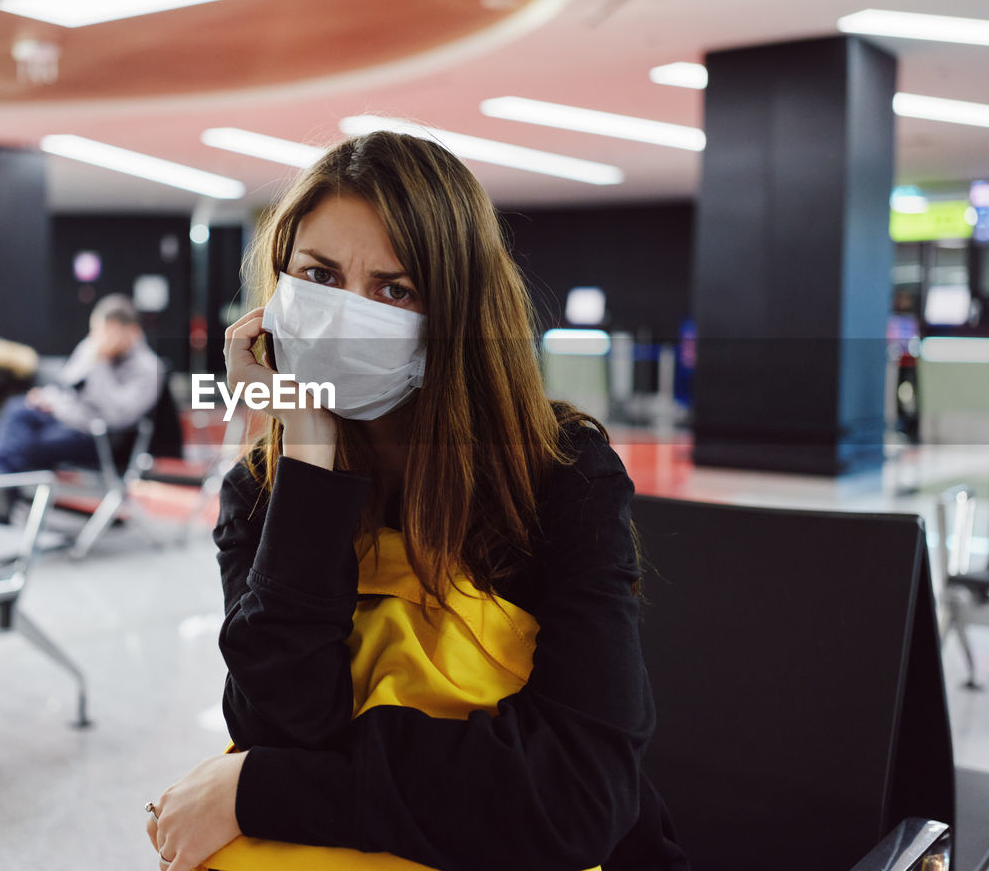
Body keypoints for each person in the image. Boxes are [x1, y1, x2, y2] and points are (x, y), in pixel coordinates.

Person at [144, 132, 690, 871]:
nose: (344, 314)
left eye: (394, 289)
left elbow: (575, 798)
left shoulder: (558, 472)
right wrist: (309, 448)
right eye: (319, 276)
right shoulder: (264, 487)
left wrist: (259, 787)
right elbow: (283, 721)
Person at [0, 294, 161, 475]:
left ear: (132, 331)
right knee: (16, 409)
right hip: (63, 418)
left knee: (22, 446)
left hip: (95, 435)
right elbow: (65, 384)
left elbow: (117, 416)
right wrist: (47, 398)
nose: (97, 338)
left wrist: (100, 362)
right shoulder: (90, 346)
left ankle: (3, 492)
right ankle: (3, 491)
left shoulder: (149, 368)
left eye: (105, 332)